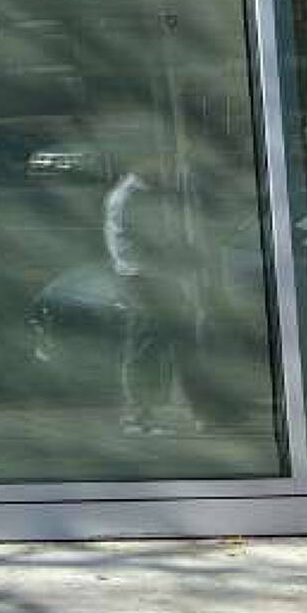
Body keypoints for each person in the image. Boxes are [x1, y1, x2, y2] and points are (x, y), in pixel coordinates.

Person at [103, 157, 206, 434]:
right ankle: (137, 416)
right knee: (145, 347)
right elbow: (140, 245)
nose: (165, 169)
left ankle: (201, 408)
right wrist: (179, 255)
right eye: (159, 164)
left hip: (159, 279)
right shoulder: (127, 198)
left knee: (182, 341)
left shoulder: (147, 193)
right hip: (142, 280)